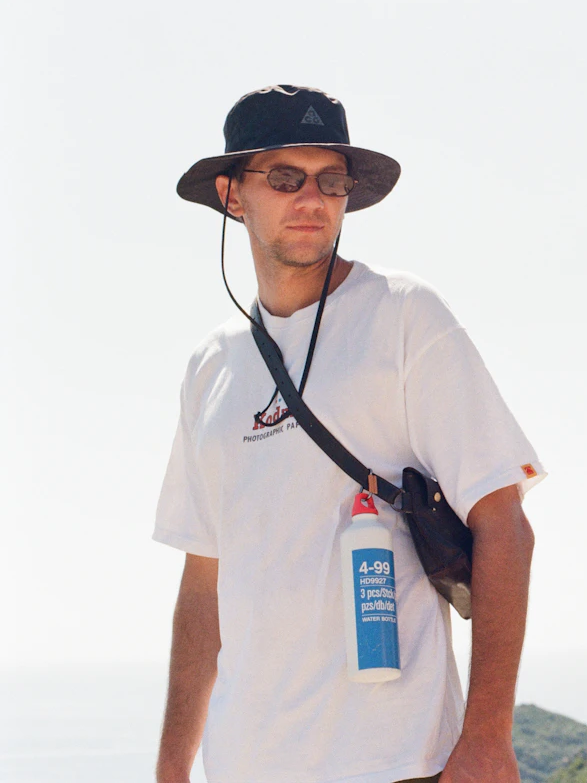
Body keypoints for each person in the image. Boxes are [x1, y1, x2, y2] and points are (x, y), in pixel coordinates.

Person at [154, 85, 545, 783]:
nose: (312, 199)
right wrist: (171, 767)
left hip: (397, 759)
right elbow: (202, 584)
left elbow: (505, 523)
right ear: (231, 194)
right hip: (247, 767)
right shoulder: (211, 367)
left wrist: (486, 736)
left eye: (330, 181)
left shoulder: (405, 317)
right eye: (285, 178)